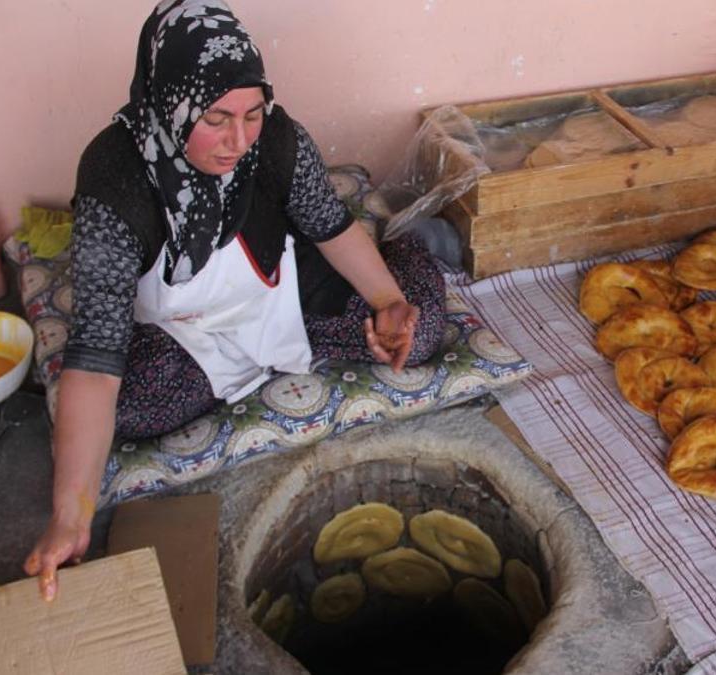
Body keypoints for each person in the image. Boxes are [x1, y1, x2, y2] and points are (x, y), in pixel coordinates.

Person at [23, 0, 444, 600]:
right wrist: (71, 515)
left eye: (252, 113)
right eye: (217, 118)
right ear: (170, 102)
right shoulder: (113, 175)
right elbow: (95, 355)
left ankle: (407, 259)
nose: (238, 140)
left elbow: (329, 227)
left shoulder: (276, 141)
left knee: (420, 330)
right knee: (127, 407)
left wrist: (387, 301)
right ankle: (248, 366)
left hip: (280, 294)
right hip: (184, 331)